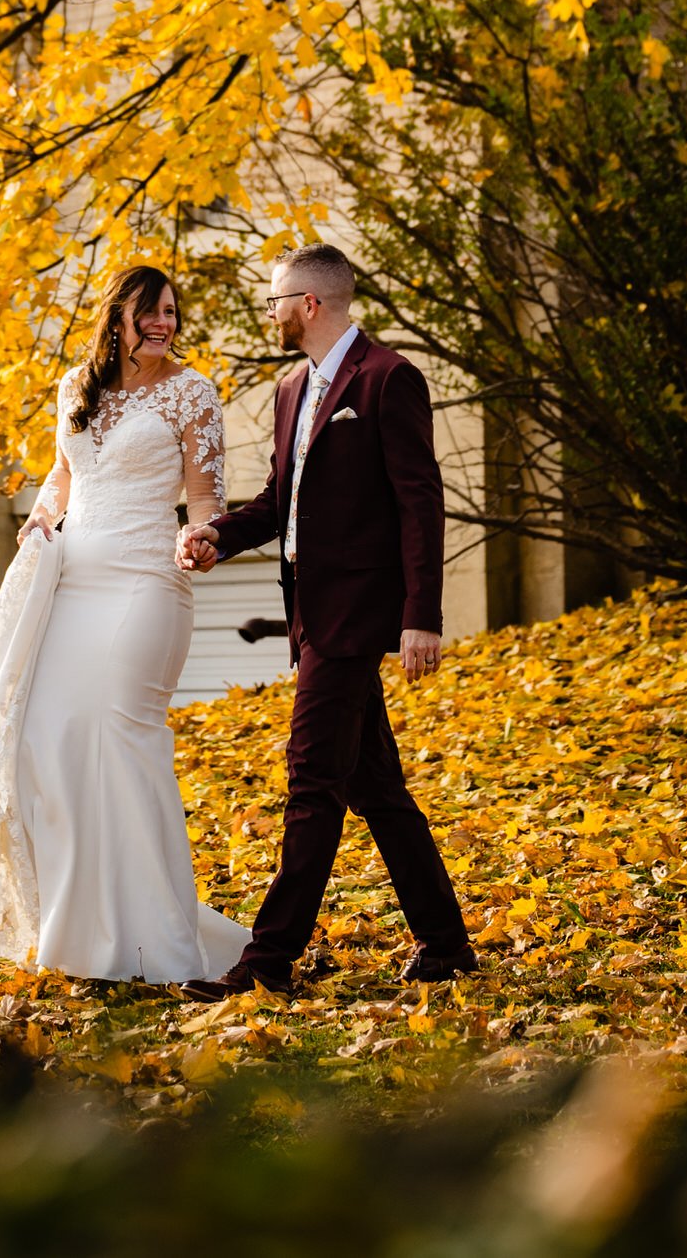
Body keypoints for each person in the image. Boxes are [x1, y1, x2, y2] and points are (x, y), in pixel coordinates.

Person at [175, 243, 474, 998]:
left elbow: (418, 499)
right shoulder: (290, 389)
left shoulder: (386, 378)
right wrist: (219, 536)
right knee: (375, 787)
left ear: (310, 303)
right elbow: (281, 502)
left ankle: (266, 962)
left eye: (275, 299)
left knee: (311, 782)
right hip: (309, 613)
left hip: (354, 617)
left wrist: (420, 615)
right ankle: (444, 943)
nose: (269, 312)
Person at [0, 264, 249, 982]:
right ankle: (79, 929)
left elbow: (204, 494)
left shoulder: (191, 391)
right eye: (150, 311)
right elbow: (62, 477)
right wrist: (38, 516)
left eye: (172, 314)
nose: (163, 324)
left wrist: (202, 536)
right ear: (116, 316)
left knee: (122, 739)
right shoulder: (75, 387)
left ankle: (154, 937)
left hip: (146, 580)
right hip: (74, 579)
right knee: (43, 739)